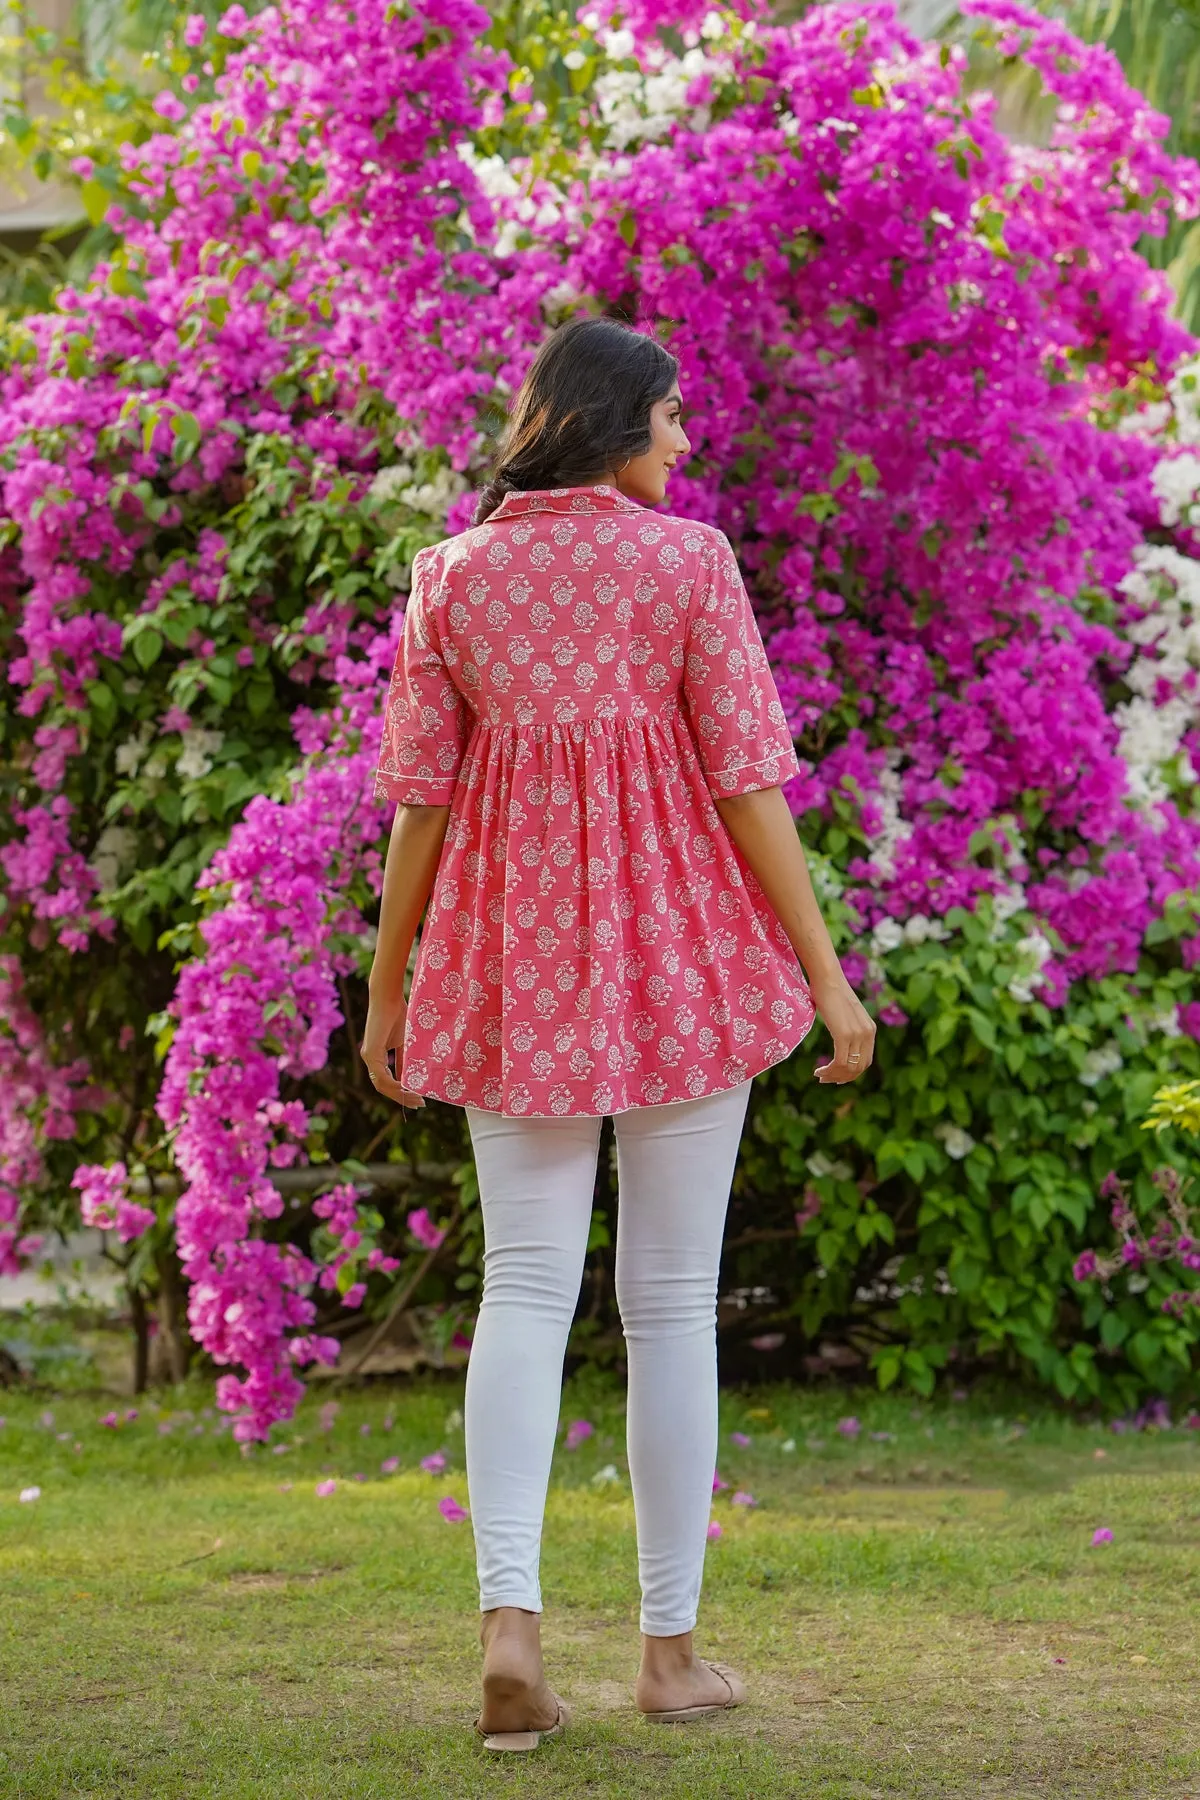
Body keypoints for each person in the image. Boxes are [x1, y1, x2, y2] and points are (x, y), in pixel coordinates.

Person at [361, 316, 875, 1752]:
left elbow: (420, 803)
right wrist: (827, 981)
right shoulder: (688, 564)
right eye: (672, 418)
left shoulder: (451, 577)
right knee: (667, 1305)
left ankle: (510, 1628)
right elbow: (749, 783)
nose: (687, 441)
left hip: (507, 961)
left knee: (523, 1286)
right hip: (681, 964)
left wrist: (390, 987)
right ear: (614, 421)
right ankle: (668, 1656)